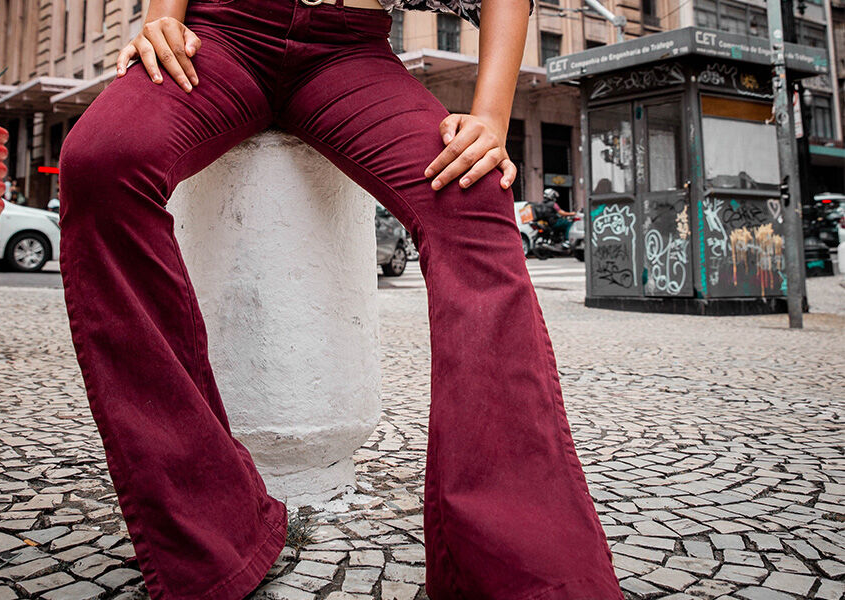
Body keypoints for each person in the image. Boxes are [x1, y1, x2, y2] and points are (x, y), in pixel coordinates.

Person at [56, 0, 623, 598]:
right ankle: (209, 528)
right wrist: (161, 17)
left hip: (347, 47)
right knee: (101, 162)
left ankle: (530, 574)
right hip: (222, 33)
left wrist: (490, 116)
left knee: (474, 196)